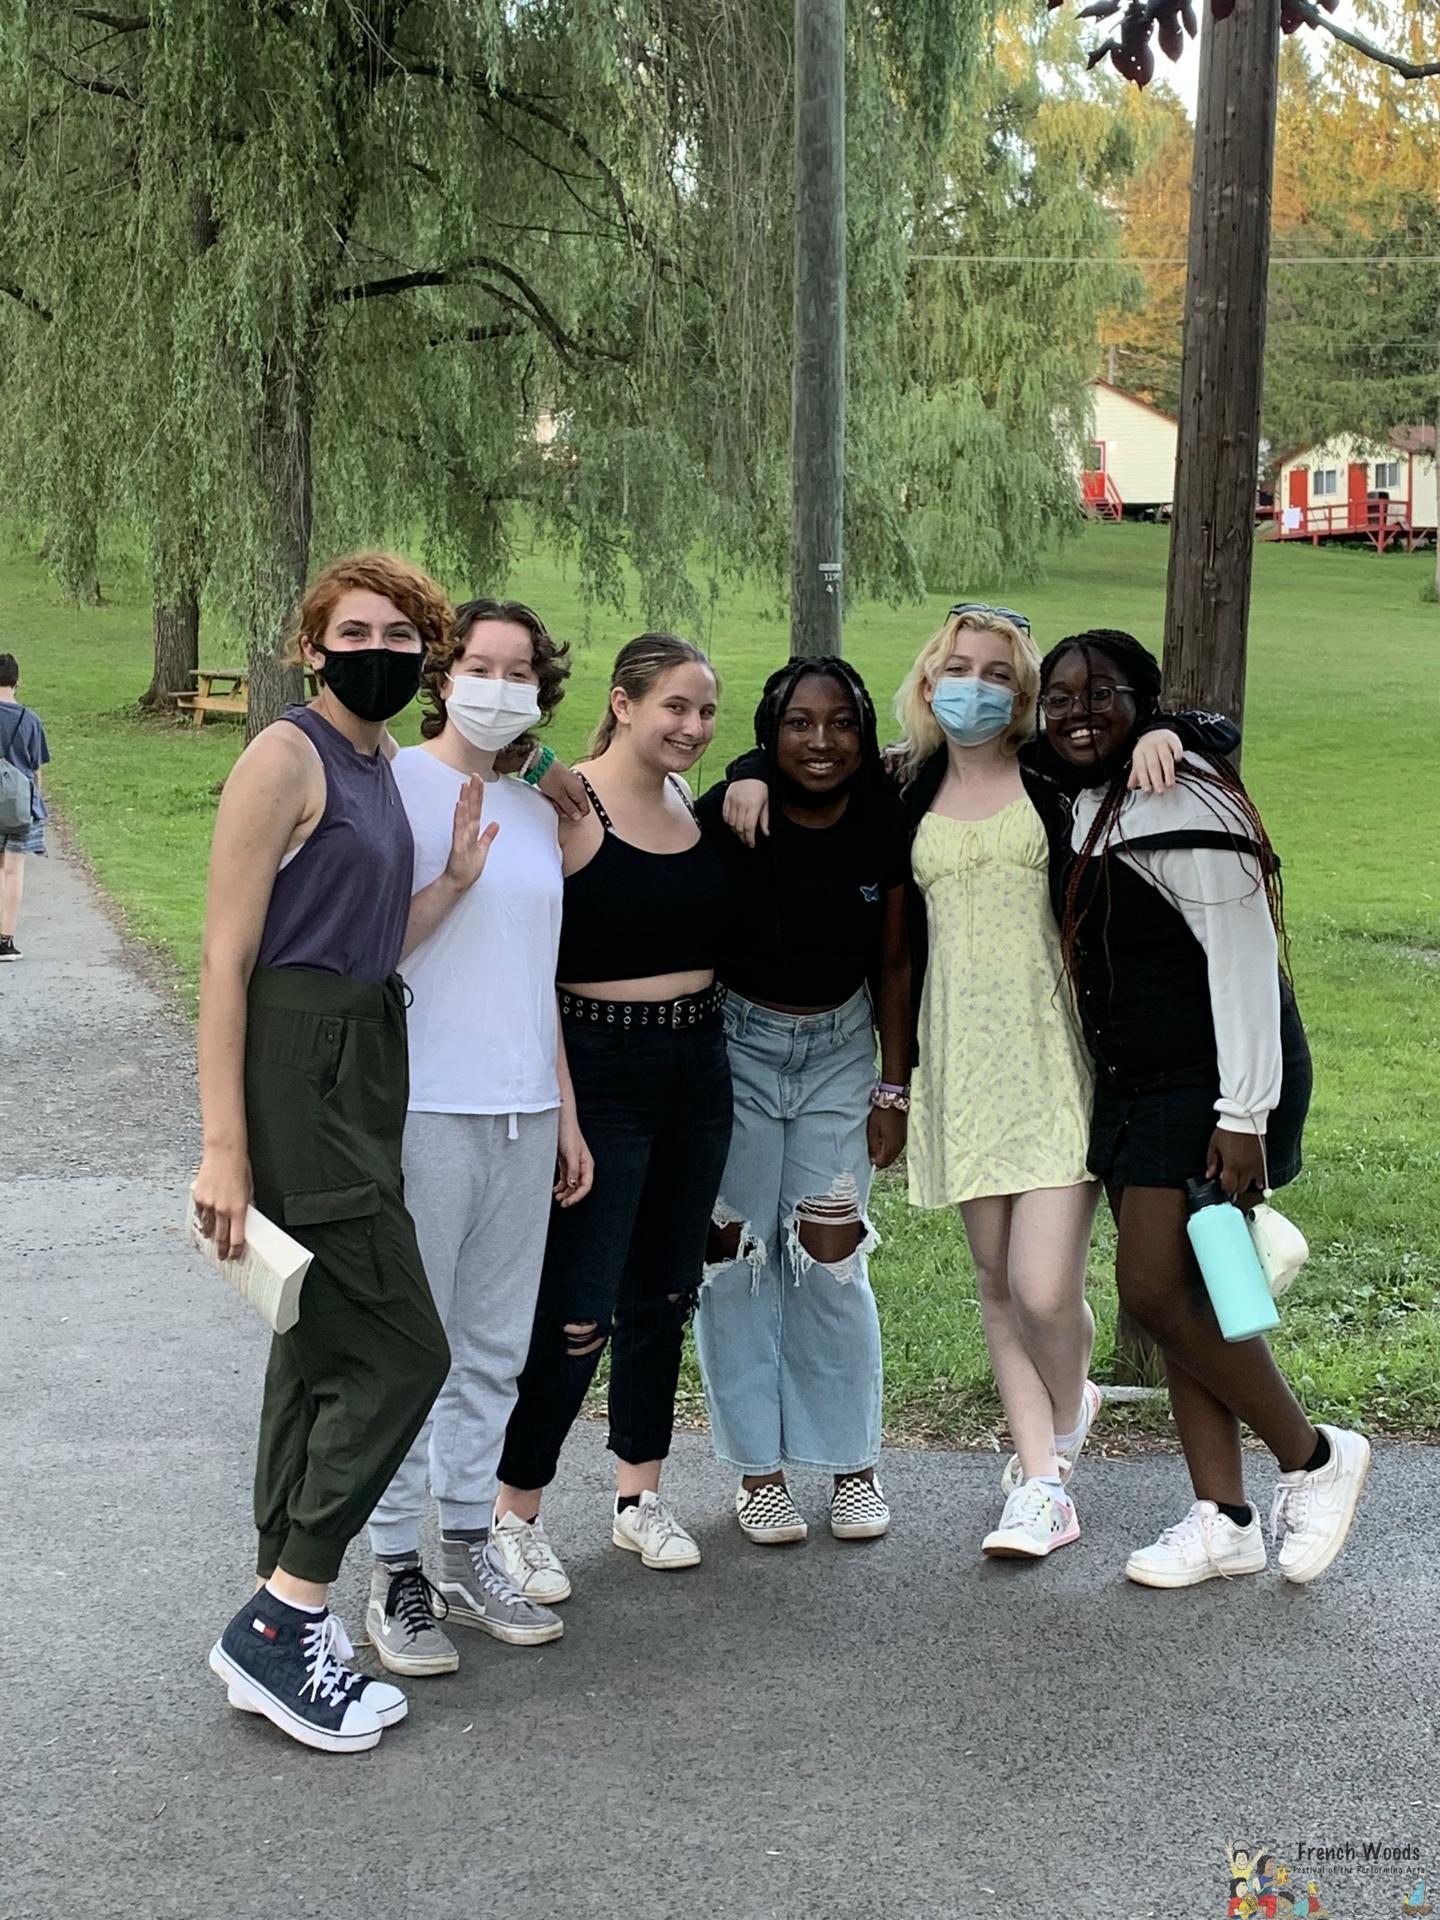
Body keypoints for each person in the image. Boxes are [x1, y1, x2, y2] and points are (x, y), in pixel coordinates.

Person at [195, 553, 457, 1755]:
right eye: (355, 634)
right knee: (403, 1349)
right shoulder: (284, 757)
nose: (379, 653)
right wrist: (224, 1149)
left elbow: (364, 936)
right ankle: (286, 1613)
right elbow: (227, 958)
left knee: (311, 1341)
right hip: (299, 1065)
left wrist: (456, 881)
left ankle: (276, 1612)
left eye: (402, 637)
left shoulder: (381, 760)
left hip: (361, 1052)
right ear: (311, 649)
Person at [1043, 628, 1370, 1588]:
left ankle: (1314, 1457)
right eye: (1059, 696)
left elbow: (1244, 963)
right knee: (1188, 1296)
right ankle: (1223, 1517)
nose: (1077, 712)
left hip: (1208, 1080)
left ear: (1140, 704)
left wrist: (1244, 1114)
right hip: (1133, 1078)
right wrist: (1182, 726)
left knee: (1153, 1289)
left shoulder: (1183, 796)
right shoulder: (1089, 796)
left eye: (1102, 694)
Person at [362, 598, 595, 1676]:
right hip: (424, 1105)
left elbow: (536, 971)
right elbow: (368, 949)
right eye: (480, 666)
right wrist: (451, 878)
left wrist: (563, 1110)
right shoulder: (392, 784)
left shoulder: (541, 812)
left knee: (495, 1350)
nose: (498, 686)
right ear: (443, 675)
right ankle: (393, 1567)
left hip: (523, 1108)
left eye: (520, 672)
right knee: (413, 1350)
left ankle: (466, 1547)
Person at [494, 634, 735, 1589]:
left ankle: (640, 1495)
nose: (693, 727)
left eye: (706, 711)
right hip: (600, 1072)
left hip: (698, 1069)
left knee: (666, 1294)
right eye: (675, 706)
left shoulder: (692, 805)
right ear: (624, 703)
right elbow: (473, 749)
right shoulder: (565, 806)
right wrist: (565, 1112)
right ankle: (515, 1511)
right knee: (577, 1307)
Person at [693, 657, 910, 1546]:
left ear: (863, 732)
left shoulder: (885, 819)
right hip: (735, 1048)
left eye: (841, 723)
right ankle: (760, 1473)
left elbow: (895, 961)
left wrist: (893, 1086)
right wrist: (744, 775)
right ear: (769, 732)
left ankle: (853, 1466)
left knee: (831, 1253)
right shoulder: (730, 813)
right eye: (798, 724)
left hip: (838, 1054)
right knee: (732, 1258)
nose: (822, 741)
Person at [0, 652, 51, 961]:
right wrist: (35, 801)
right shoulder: (30, 719)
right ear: (18, 681)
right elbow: (35, 769)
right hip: (19, 806)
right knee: (13, 870)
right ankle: (5, 941)